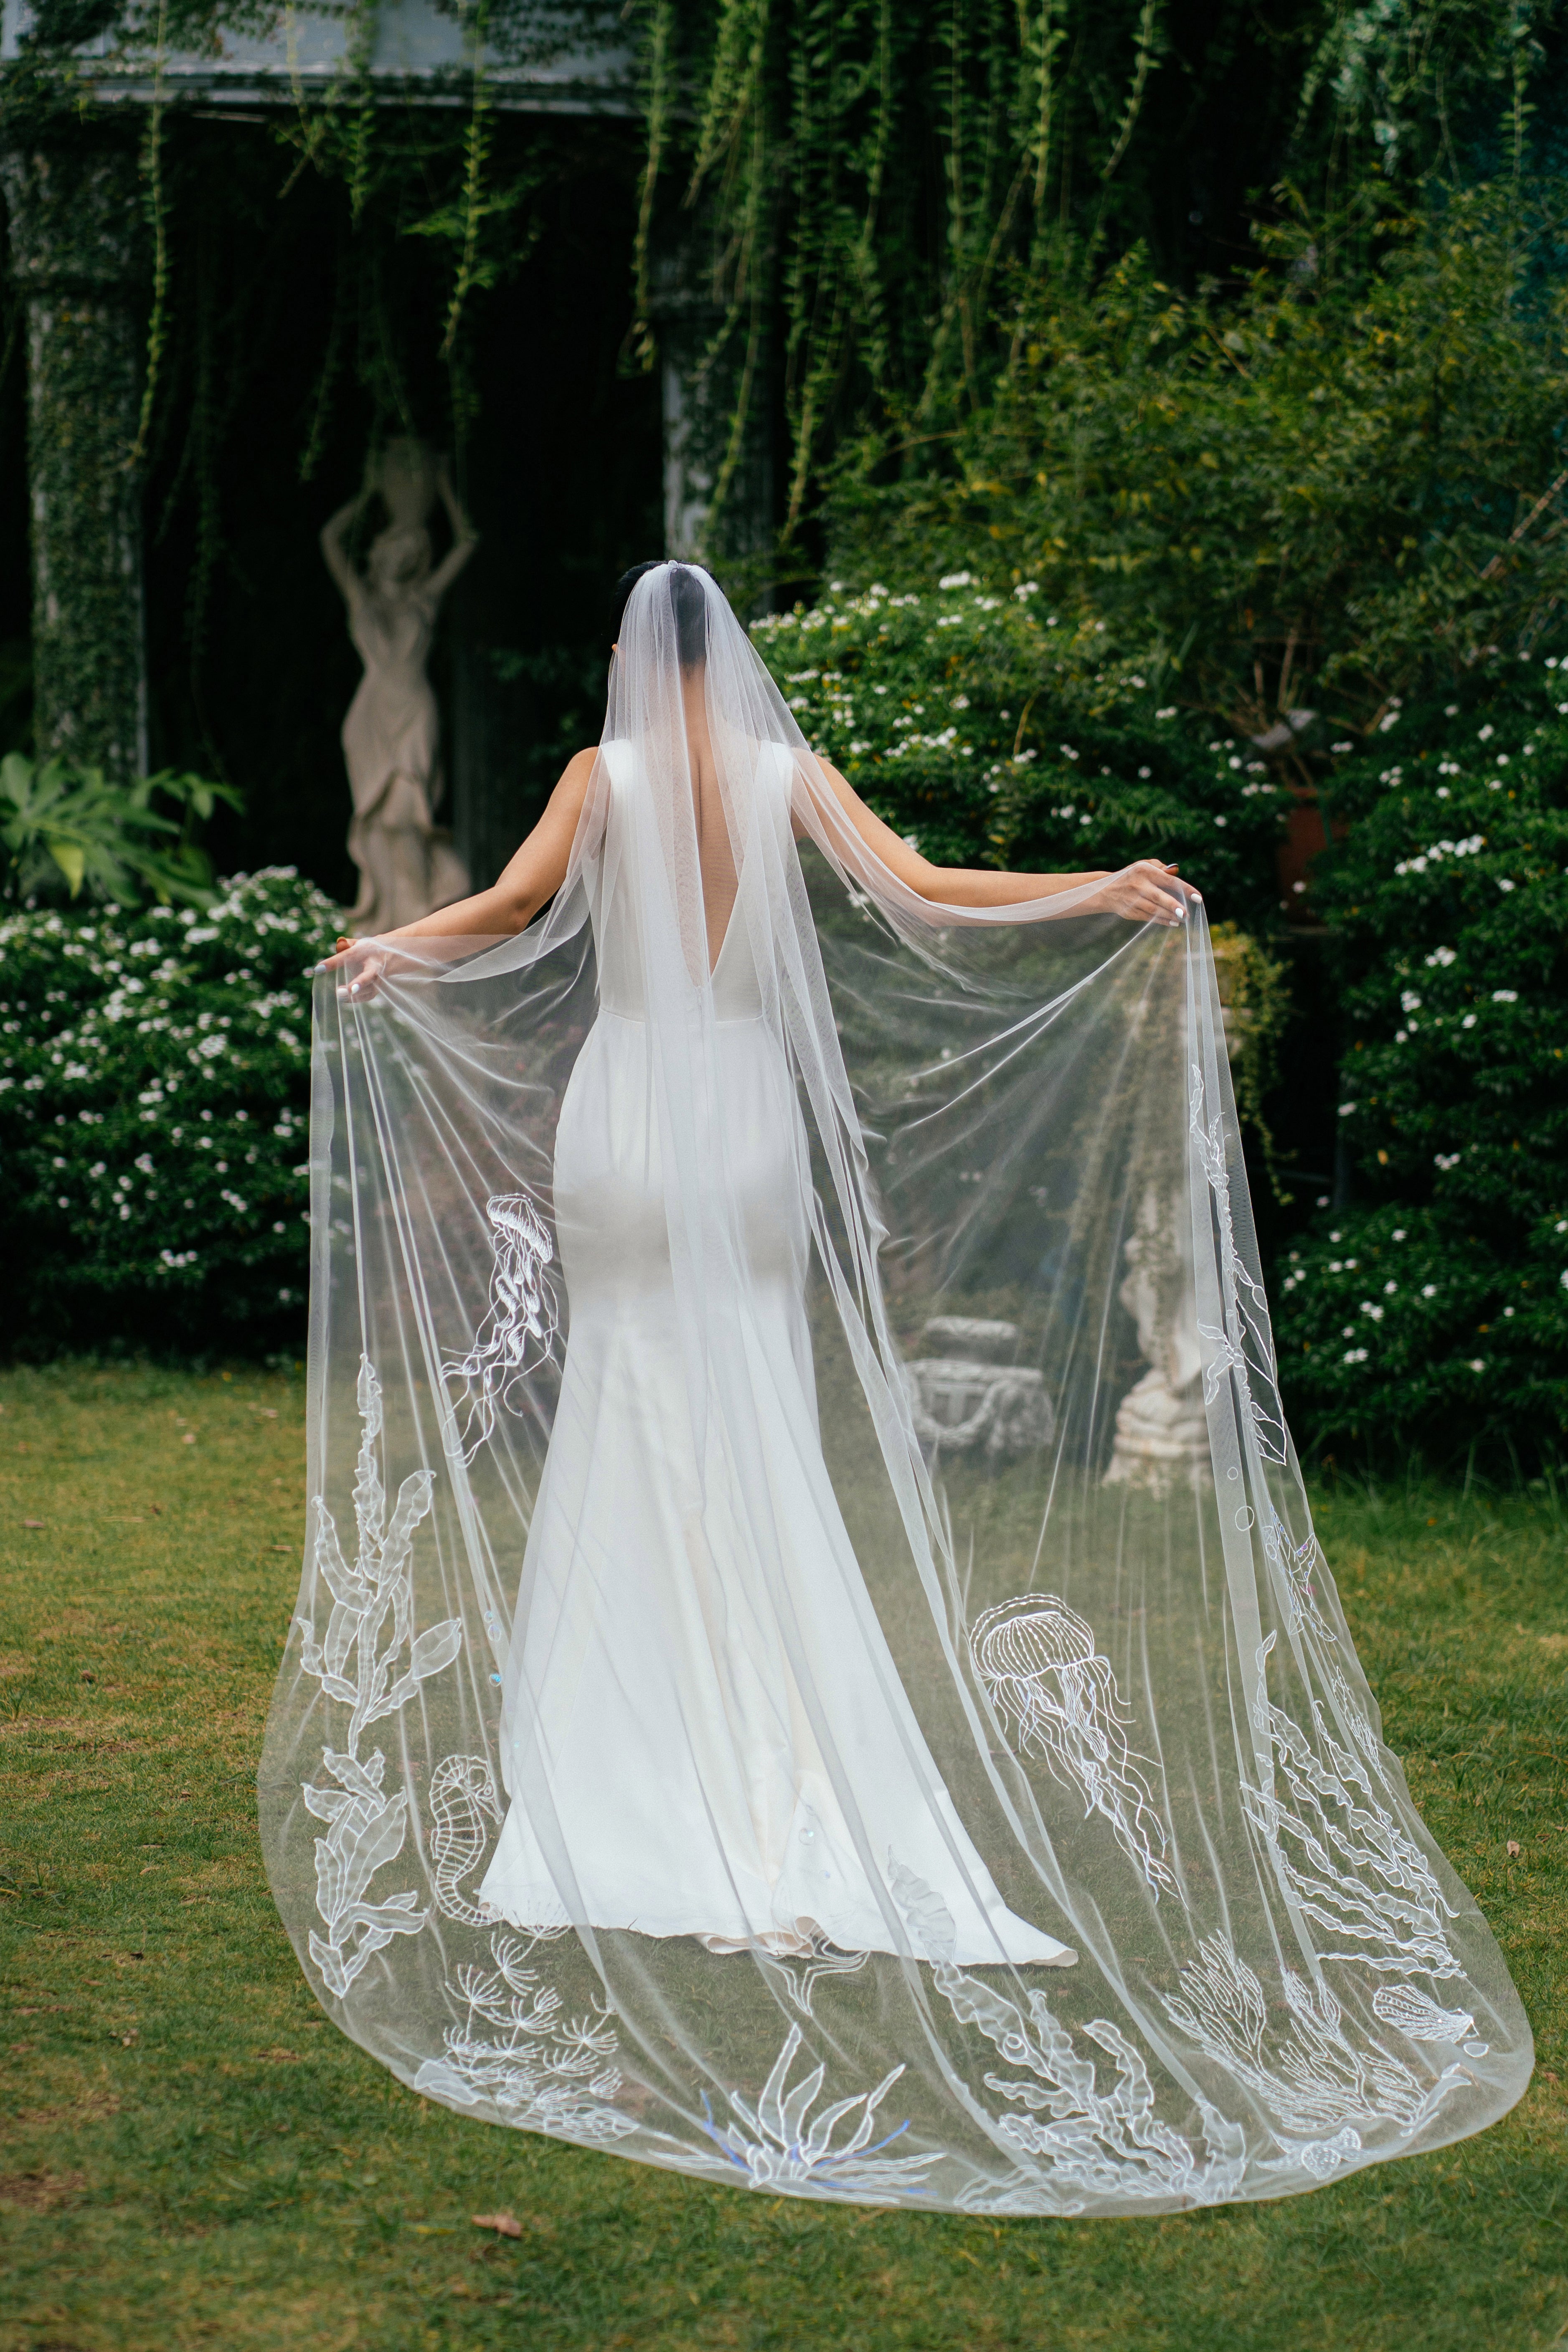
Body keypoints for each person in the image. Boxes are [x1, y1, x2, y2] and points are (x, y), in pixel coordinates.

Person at [267, 560, 1530, 2216]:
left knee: (626, 1418)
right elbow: (924, 895)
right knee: (751, 1429)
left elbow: (501, 917)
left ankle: (613, 1765)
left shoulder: (599, 780)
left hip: (621, 1120)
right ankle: (772, 1760)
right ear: (739, 671)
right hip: (733, 1123)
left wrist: (384, 952)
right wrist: (1101, 887)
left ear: (637, 670)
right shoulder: (785, 779)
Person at [321, 440, 478, 935]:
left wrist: (445, 487)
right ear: (379, 551)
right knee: (377, 825)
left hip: (412, 708)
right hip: (369, 714)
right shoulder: (359, 597)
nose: (403, 553)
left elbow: (467, 540)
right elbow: (329, 537)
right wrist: (369, 493)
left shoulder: (424, 600)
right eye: (396, 545)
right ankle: (386, 921)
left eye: (413, 548)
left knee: (407, 819)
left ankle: (417, 924)